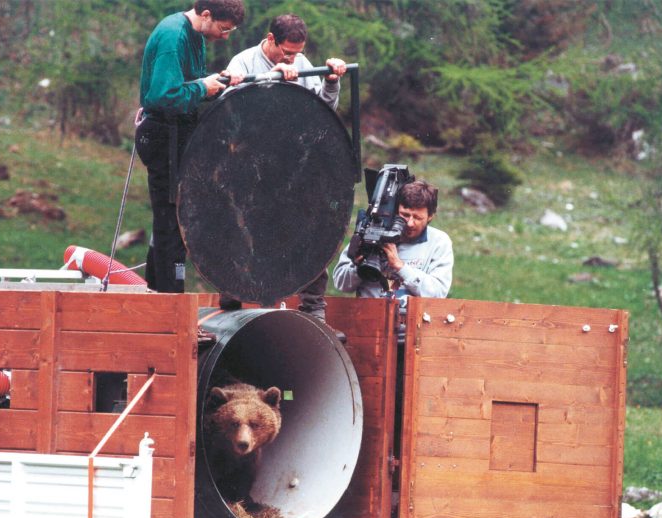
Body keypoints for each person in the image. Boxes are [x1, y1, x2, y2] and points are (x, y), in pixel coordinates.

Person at [218, 13, 348, 325]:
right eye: (286, 52)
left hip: (294, 164)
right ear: (271, 39)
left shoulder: (302, 63)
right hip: (252, 163)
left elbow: (323, 107)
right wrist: (272, 79)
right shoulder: (244, 62)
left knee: (312, 227)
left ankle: (313, 304)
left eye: (297, 53)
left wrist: (332, 81)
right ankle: (233, 294)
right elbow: (228, 104)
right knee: (247, 227)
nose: (292, 58)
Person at [136, 0, 245, 293]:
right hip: (163, 136)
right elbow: (163, 95)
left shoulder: (195, 35)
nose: (225, 36)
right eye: (224, 29)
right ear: (206, 15)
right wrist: (201, 87)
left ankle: (157, 295)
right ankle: (171, 306)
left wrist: (218, 81)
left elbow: (189, 84)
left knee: (172, 219)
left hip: (180, 133)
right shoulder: (174, 35)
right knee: (172, 222)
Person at [333, 180, 453, 300]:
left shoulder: (439, 241)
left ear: (430, 216)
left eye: (417, 217)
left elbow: (438, 293)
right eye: (405, 215)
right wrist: (358, 266)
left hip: (413, 316)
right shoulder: (371, 230)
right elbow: (340, 284)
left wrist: (400, 266)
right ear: (396, 210)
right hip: (367, 314)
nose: (410, 223)